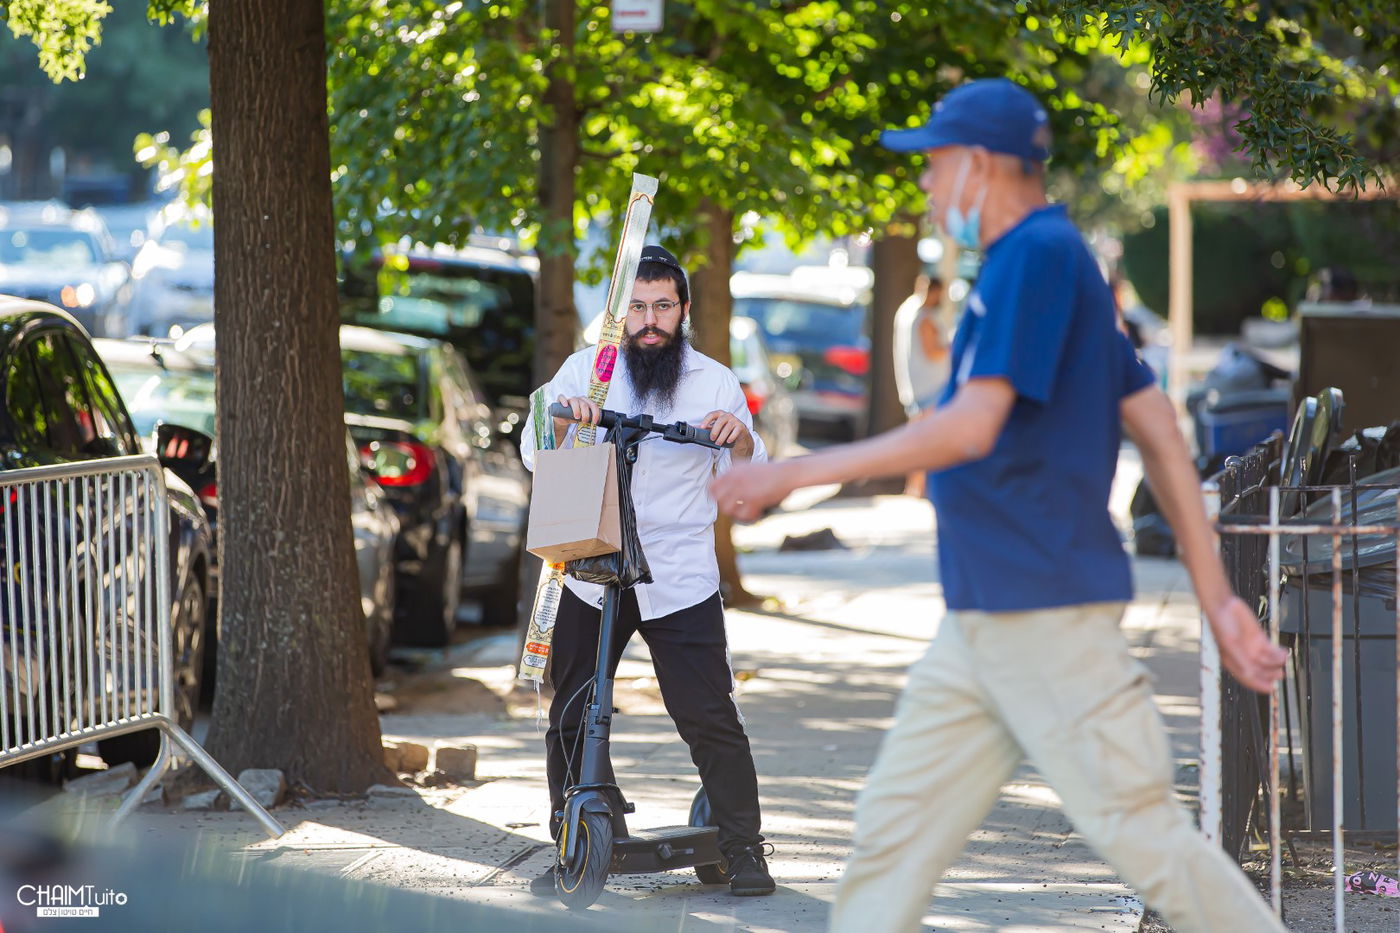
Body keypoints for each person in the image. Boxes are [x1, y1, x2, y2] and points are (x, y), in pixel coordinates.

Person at [709, 79, 1288, 932]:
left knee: (1147, 838)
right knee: (889, 841)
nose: (927, 188)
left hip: (1044, 615)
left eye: (934, 166)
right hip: (982, 619)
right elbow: (1160, 424)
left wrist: (789, 475)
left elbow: (971, 425)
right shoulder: (1035, 263)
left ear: (979, 165)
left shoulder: (1037, 256)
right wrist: (1217, 599)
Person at [519, 244, 775, 897]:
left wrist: (739, 437)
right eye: (638, 306)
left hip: (678, 570)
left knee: (708, 712)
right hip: (592, 565)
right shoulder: (587, 372)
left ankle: (745, 847)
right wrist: (568, 425)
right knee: (573, 710)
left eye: (664, 305)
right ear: (619, 313)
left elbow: (749, 476)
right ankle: (572, 841)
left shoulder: (713, 382)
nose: (651, 319)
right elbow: (533, 450)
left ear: (683, 310)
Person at [891, 274, 949, 496]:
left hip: (914, 386)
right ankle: (919, 488)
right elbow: (932, 351)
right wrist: (952, 347)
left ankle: (914, 487)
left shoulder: (906, 310)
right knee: (927, 441)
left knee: (917, 439)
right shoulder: (924, 316)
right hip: (931, 387)